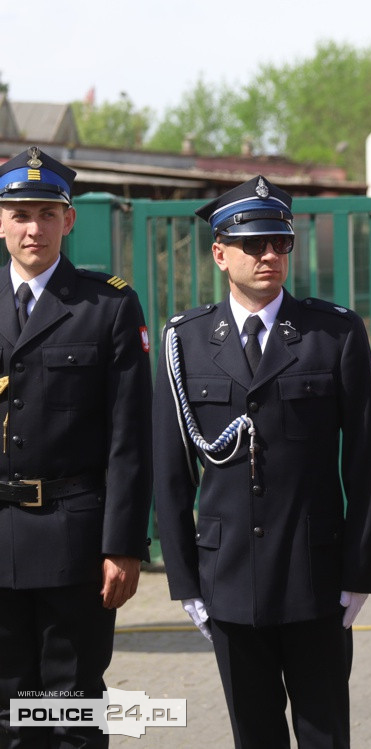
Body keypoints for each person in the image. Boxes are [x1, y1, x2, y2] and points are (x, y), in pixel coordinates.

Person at [153, 176, 371, 748]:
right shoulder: (184, 341)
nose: (268, 255)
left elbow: (368, 463)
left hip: (317, 578)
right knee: (253, 735)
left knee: (324, 733)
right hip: (228, 578)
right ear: (219, 254)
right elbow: (170, 470)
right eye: (254, 244)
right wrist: (185, 580)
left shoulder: (333, 334)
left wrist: (361, 573)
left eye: (279, 243)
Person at [0, 147, 153, 747]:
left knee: (69, 710)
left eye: (45, 212)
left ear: (68, 220)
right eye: (18, 213)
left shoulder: (107, 305)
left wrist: (123, 546)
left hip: (75, 542)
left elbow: (129, 438)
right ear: (0, 220)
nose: (32, 227)